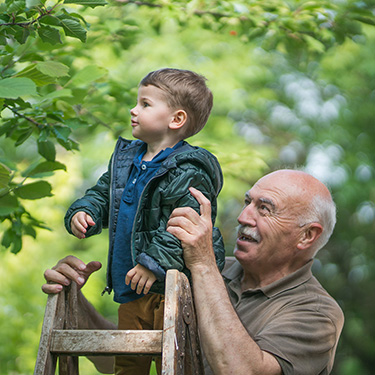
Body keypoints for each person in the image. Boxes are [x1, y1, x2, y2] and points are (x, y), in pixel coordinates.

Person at [43, 169, 344, 375]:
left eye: (265, 209)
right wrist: (74, 302)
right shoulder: (203, 271)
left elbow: (241, 371)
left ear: (307, 236)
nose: (243, 217)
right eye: (247, 202)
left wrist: (202, 263)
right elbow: (128, 356)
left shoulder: (317, 313)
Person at [62, 68, 225, 375]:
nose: (134, 110)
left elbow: (187, 224)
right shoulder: (127, 162)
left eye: (145, 104)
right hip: (131, 286)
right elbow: (102, 194)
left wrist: (153, 263)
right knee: (128, 361)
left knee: (176, 358)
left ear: (176, 120)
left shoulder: (189, 169)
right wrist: (85, 212)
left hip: (171, 289)